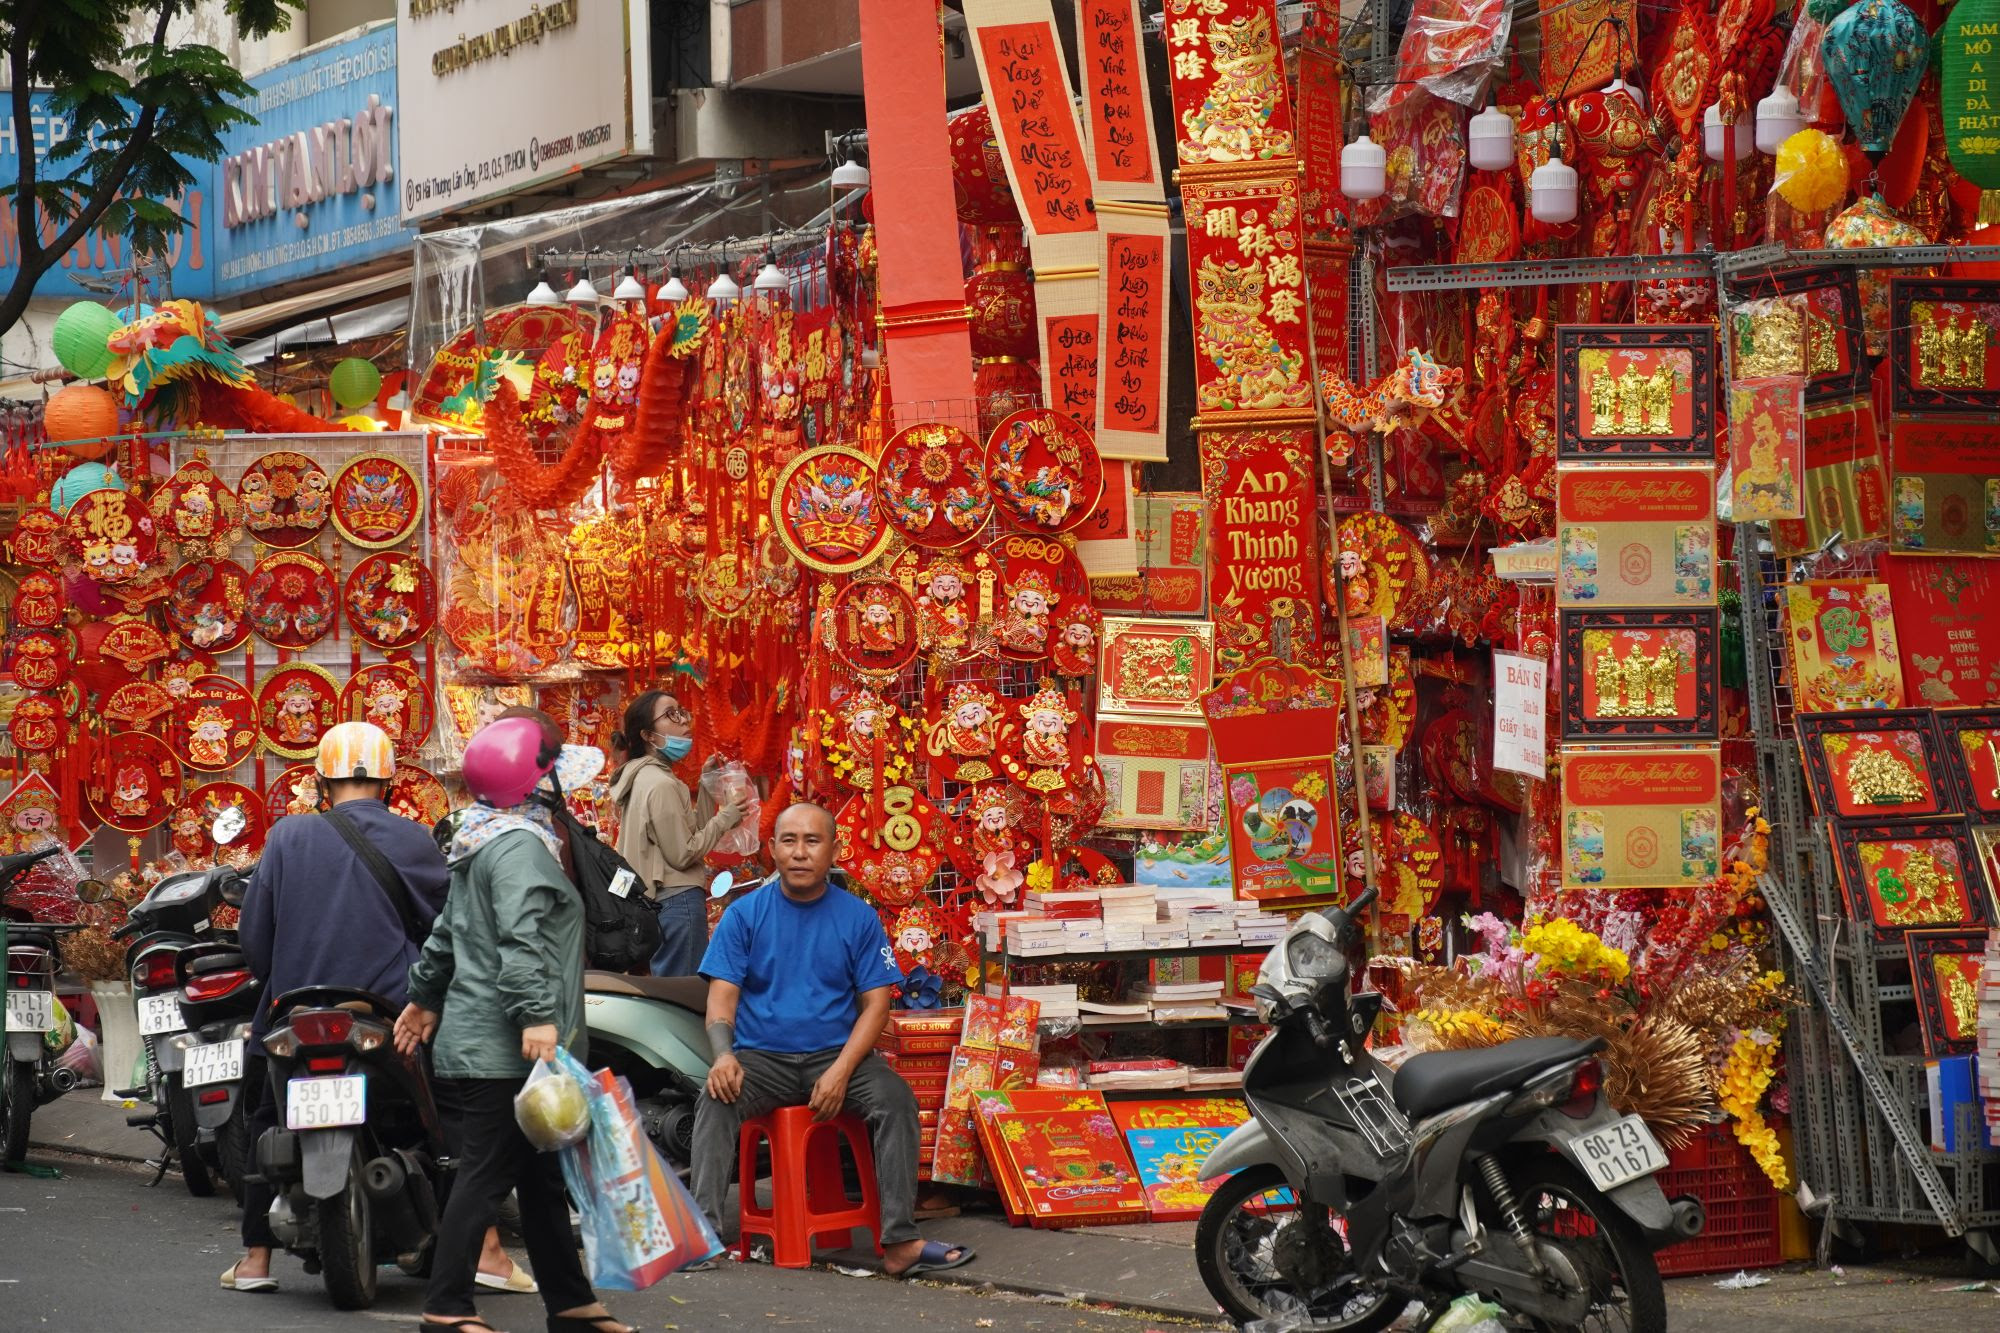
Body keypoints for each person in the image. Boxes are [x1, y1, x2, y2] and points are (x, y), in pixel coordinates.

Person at [224, 723, 529, 1296]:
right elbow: (445, 930)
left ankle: (256, 1260)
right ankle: (487, 1249)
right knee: (449, 1113)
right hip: (389, 1011)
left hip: (295, 1009)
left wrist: (284, 977)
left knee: (267, 1114)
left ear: (321, 780)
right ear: (388, 783)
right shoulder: (413, 839)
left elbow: (255, 940)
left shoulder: (287, 837)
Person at [396, 716, 630, 1333]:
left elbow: (448, 933)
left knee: (540, 1177)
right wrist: (536, 1016)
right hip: (503, 1046)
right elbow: (522, 940)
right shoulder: (522, 846)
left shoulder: (479, 837)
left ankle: (572, 1305)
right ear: (536, 786)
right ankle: (446, 1308)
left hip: (485, 1036)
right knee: (486, 1173)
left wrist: (423, 997)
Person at [691, 802, 976, 1279]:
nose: (799, 853)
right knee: (716, 1096)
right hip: (764, 1059)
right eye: (788, 841)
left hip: (838, 1055)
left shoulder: (858, 918)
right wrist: (723, 1057)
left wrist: (841, 1071)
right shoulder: (744, 916)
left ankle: (900, 1241)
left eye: (812, 841)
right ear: (772, 850)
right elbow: (721, 1001)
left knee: (895, 1100)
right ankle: (702, 1235)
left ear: (834, 850)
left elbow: (877, 1006)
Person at [607, 689, 750, 976]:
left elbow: (689, 830)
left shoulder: (642, 776)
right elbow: (683, 854)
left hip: (656, 901)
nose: (684, 721)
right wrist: (727, 817)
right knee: (680, 994)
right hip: (676, 899)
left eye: (682, 711)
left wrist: (707, 785)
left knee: (667, 989)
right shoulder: (660, 784)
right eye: (671, 715)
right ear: (648, 736)